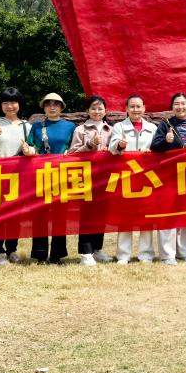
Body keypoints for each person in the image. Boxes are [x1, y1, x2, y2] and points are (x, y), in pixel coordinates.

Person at [151, 92, 186, 265]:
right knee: (168, 213)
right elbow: (154, 147)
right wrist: (166, 141)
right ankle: (167, 255)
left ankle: (184, 252)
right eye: (176, 104)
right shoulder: (165, 124)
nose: (180, 107)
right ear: (172, 107)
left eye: (183, 104)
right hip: (168, 176)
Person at [25, 92, 76, 264]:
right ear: (44, 107)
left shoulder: (70, 127)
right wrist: (28, 150)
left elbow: (74, 148)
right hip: (40, 175)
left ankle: (57, 255)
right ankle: (40, 255)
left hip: (62, 175)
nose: (52, 107)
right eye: (48, 104)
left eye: (56, 104)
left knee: (60, 216)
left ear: (61, 107)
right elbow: (30, 146)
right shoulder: (36, 127)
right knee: (39, 216)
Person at [0, 87, 31, 265]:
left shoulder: (27, 126)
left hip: (19, 176)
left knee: (15, 215)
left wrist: (29, 150)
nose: (10, 106)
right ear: (0, 105)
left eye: (13, 102)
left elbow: (33, 150)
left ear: (20, 104)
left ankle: (12, 249)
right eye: (6, 102)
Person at [108, 94, 157, 264]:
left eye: (138, 106)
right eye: (132, 106)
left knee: (146, 217)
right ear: (126, 109)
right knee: (125, 217)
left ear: (144, 108)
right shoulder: (119, 127)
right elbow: (112, 148)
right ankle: (123, 254)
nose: (135, 110)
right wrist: (119, 145)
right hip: (126, 177)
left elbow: (158, 148)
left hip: (146, 177)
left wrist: (152, 152)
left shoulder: (152, 128)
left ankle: (146, 254)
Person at [68, 95, 113, 266]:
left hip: (105, 177)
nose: (97, 111)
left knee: (101, 214)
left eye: (100, 108)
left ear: (105, 111)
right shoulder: (80, 130)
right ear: (87, 111)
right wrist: (89, 144)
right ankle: (85, 253)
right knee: (87, 215)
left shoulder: (111, 129)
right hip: (86, 178)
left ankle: (97, 249)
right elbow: (72, 154)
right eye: (93, 108)